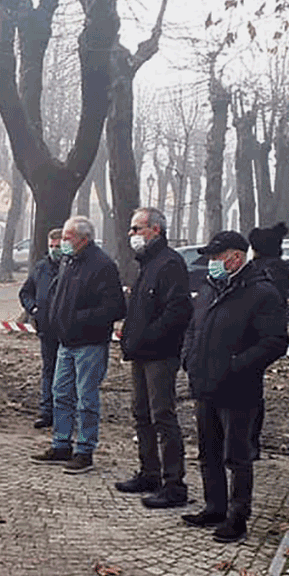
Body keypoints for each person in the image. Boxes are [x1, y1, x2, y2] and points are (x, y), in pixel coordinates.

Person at [180, 231, 289, 543]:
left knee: (237, 456)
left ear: (235, 257)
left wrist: (237, 365)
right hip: (204, 383)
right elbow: (194, 326)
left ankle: (237, 517)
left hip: (239, 389)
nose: (211, 263)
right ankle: (215, 507)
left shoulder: (262, 292)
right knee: (207, 451)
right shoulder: (210, 287)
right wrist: (189, 357)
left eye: (216, 257)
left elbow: (275, 341)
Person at [31, 216, 125, 474]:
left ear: (84, 239)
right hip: (65, 342)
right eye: (62, 238)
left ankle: (85, 449)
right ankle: (61, 444)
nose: (63, 243)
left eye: (68, 238)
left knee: (86, 399)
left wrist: (78, 319)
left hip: (90, 344)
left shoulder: (102, 265)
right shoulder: (68, 262)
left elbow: (115, 307)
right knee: (61, 394)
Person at [115, 208, 194, 509]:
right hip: (140, 353)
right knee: (141, 413)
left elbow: (177, 311)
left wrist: (146, 337)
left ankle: (174, 483)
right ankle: (149, 472)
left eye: (137, 229)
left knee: (162, 415)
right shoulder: (147, 264)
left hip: (160, 354)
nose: (131, 235)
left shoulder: (170, 263)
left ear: (155, 230)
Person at [246, 222, 289, 459]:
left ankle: (247, 442)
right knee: (254, 391)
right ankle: (251, 442)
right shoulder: (282, 273)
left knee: (247, 394)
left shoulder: (257, 272)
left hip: (250, 338)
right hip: (268, 337)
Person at [19, 228, 64, 428]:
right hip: (46, 329)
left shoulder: (71, 266)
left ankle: (65, 412)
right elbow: (26, 292)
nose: (54, 250)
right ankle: (46, 411)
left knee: (66, 373)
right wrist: (34, 309)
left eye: (58, 246)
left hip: (68, 330)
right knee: (48, 371)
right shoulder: (41, 268)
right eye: (51, 246)